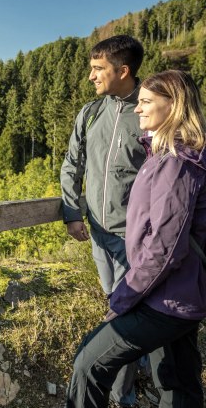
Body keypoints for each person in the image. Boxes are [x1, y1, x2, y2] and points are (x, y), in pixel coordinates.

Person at [65, 70, 206, 407]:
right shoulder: (170, 155)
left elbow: (163, 249)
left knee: (88, 363)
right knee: (177, 380)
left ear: (172, 106)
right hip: (180, 294)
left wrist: (123, 299)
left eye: (145, 102)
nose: (138, 109)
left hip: (165, 298)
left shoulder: (176, 163)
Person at [60, 35, 145, 406]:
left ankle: (121, 395)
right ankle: (136, 360)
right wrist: (70, 212)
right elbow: (71, 164)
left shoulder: (151, 112)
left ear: (122, 70)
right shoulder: (91, 112)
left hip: (136, 240)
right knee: (114, 302)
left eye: (98, 69)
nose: (91, 77)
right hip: (97, 233)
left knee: (121, 315)